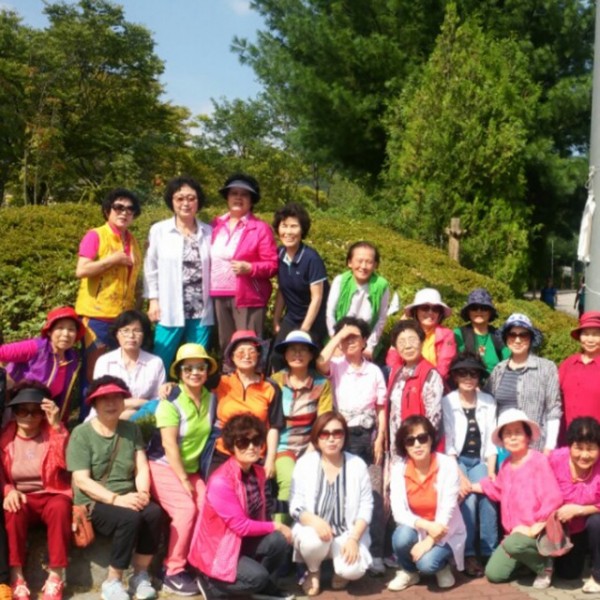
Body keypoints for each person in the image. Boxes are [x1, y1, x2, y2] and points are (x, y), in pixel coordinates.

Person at [67, 376, 163, 600]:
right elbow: (81, 480)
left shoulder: (131, 429)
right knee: (129, 518)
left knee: (153, 513)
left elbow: (141, 466)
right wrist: (116, 499)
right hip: (94, 501)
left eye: (116, 398)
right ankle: (113, 581)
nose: (111, 403)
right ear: (94, 403)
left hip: (127, 495)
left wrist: (143, 493)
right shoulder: (81, 433)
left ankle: (140, 576)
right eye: (104, 399)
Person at [188, 414, 294, 599]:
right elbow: (241, 526)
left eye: (256, 440)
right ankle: (211, 584)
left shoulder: (258, 473)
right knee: (257, 577)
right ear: (232, 446)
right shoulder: (221, 481)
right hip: (220, 548)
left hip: (242, 541)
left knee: (278, 541)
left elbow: (267, 504)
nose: (251, 447)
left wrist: (297, 508)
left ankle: (260, 588)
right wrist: (277, 525)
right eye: (243, 442)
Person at [317, 317, 386, 573]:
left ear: (365, 340)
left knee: (373, 493)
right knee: (341, 492)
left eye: (354, 337)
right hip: (341, 436)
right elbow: (320, 361)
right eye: (345, 338)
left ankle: (376, 552)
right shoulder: (336, 366)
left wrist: (380, 438)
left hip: (368, 436)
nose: (349, 342)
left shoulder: (374, 371)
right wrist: (339, 335)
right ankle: (338, 550)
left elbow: (381, 407)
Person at [146, 344, 217, 595]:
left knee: (208, 506)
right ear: (180, 372)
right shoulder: (171, 401)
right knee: (185, 510)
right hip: (162, 465)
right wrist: (184, 480)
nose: (195, 372)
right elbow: (169, 445)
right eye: (188, 368)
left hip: (192, 468)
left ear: (207, 370)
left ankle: (196, 562)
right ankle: (172, 570)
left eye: (200, 367)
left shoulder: (212, 398)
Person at [471, 409, 563, 588]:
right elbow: (497, 489)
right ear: (502, 440)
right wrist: (469, 487)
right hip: (514, 535)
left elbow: (554, 498)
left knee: (514, 544)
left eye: (517, 432)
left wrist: (535, 526)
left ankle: (544, 566)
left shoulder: (538, 461)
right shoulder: (506, 465)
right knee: (494, 574)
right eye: (507, 433)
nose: (512, 437)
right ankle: (527, 562)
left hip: (536, 532)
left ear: (527, 436)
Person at [289, 411, 373, 596]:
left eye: (337, 433)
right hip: (316, 533)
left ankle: (340, 570)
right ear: (317, 438)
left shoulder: (357, 465)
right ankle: (313, 570)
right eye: (325, 434)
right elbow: (295, 503)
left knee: (353, 570)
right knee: (311, 541)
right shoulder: (305, 463)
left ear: (344, 436)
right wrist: (313, 521)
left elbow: (366, 507)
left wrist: (354, 538)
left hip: (346, 533)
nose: (331, 439)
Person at [1, 382, 72, 600]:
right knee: (12, 511)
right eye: (23, 410)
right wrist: (8, 489)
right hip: (22, 495)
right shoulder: (4, 438)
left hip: (51, 493)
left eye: (36, 411)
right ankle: (17, 577)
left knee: (60, 508)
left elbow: (65, 463)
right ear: (14, 412)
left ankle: (55, 577)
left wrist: (56, 426)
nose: (29, 416)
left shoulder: (54, 433)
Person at [387, 415, 465, 592]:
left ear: (431, 439)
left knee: (427, 564)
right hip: (419, 528)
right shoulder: (398, 469)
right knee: (401, 538)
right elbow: (398, 512)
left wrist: (429, 540)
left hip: (445, 529)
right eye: (410, 440)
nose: (417, 445)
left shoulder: (447, 465)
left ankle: (442, 566)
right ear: (404, 445)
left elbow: (447, 511)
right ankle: (409, 571)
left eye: (422, 438)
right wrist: (427, 526)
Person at [143, 176, 214, 372]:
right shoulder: (159, 230)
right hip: (169, 307)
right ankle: (158, 393)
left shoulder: (209, 231)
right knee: (160, 361)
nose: (186, 203)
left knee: (196, 364)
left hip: (201, 310)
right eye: (180, 198)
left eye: (191, 198)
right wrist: (153, 300)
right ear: (171, 201)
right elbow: (150, 267)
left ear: (198, 201)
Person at [75, 189, 142, 385]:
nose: (124, 212)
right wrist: (111, 260)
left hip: (123, 319)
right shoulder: (95, 235)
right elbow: (82, 270)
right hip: (97, 318)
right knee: (94, 373)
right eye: (118, 207)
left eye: (130, 209)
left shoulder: (133, 241)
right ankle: (87, 406)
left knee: (117, 372)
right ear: (107, 211)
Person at [442, 352, 498, 577]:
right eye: (463, 373)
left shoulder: (487, 401)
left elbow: (492, 441)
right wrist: (460, 476)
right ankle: (468, 553)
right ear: (455, 376)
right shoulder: (448, 401)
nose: (468, 378)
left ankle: (490, 551)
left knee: (489, 495)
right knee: (468, 497)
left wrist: (491, 472)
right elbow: (448, 443)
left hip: (479, 460)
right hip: (456, 460)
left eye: (473, 374)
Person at [210, 173, 278, 353]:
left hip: (248, 297)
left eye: (244, 194)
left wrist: (251, 268)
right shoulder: (215, 225)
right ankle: (227, 373)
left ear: (251, 200)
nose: (238, 198)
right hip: (217, 295)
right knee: (225, 347)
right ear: (227, 197)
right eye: (234, 193)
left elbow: (272, 265)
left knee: (249, 348)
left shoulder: (260, 228)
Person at [270, 330, 333, 522]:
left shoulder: (321, 383)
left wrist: (310, 451)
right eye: (292, 350)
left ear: (311, 355)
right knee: (290, 482)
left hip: (310, 447)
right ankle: (279, 531)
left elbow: (323, 422)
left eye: (303, 350)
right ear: (285, 354)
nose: (297, 354)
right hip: (281, 446)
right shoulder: (275, 381)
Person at [210, 330, 284, 477]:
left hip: (254, 454)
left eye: (251, 351)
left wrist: (270, 459)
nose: (246, 355)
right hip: (223, 452)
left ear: (258, 355)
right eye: (241, 351)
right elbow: (192, 383)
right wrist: (171, 387)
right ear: (232, 356)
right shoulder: (221, 381)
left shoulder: (270, 387)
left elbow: (274, 427)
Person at [485, 313, 561, 452]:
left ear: (531, 338)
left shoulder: (546, 368)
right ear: (506, 338)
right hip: (503, 448)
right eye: (512, 335)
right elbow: (487, 404)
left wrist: (549, 446)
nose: (517, 340)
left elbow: (553, 410)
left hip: (535, 448)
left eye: (523, 335)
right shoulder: (498, 370)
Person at [0, 306, 84, 423]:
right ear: (49, 331)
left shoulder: (72, 358)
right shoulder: (36, 347)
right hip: (14, 406)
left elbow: (65, 395)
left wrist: (60, 422)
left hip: (40, 411)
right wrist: (6, 379)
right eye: (60, 328)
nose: (66, 334)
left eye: (71, 329)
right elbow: (2, 352)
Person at [271, 204, 329, 367]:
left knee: (307, 357)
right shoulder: (279, 254)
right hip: (292, 316)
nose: (288, 232)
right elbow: (282, 290)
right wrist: (276, 319)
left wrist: (304, 330)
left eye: (294, 226)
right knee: (277, 357)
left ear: (302, 230)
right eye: (284, 226)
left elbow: (317, 298)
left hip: (314, 318)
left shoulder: (311, 258)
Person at [549, 417, 600, 592]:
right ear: (570, 445)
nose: (584, 455)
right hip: (565, 530)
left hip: (591, 526)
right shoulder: (555, 460)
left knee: (597, 521)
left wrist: (579, 510)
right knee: (568, 574)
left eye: (591, 449)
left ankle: (598, 576)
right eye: (579, 447)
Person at [89, 310, 165, 421]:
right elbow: (99, 398)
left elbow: (159, 400)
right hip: (106, 415)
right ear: (117, 334)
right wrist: (137, 403)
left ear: (144, 335)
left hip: (144, 416)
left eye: (137, 331)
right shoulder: (104, 361)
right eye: (125, 330)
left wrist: (136, 409)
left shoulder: (155, 362)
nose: (131, 335)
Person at [386, 320, 444, 462]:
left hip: (419, 449)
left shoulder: (430, 374)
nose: (407, 346)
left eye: (412, 340)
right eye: (401, 342)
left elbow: (433, 419)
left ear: (422, 342)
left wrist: (417, 445)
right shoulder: (395, 372)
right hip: (397, 450)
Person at [326, 241, 390, 360]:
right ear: (350, 262)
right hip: (339, 335)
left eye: (369, 262)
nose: (363, 266)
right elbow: (330, 312)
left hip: (366, 339)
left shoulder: (382, 286)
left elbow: (381, 318)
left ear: (375, 265)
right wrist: (335, 341)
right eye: (359, 261)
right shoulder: (340, 281)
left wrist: (369, 347)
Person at [387, 288, 456, 382]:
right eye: (425, 308)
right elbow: (392, 362)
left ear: (440, 314)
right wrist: (398, 333)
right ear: (416, 311)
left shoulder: (447, 334)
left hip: (434, 380)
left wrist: (425, 381)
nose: (430, 312)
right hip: (405, 378)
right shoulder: (406, 331)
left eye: (435, 309)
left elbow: (444, 365)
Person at [559, 311, 600, 430]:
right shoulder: (569, 363)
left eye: (596, 334)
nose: (590, 339)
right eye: (586, 334)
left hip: (595, 436)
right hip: (568, 434)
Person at [453, 288, 509, 374]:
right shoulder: (458, 334)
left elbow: (510, 360)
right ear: (468, 312)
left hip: (494, 380)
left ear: (490, 312)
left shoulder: (498, 335)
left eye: (484, 308)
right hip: (468, 379)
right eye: (474, 308)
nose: (479, 311)